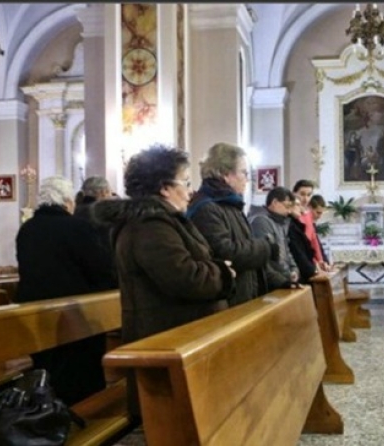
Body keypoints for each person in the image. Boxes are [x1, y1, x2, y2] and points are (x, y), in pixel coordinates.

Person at [93, 144, 236, 419]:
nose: (191, 190)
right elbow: (185, 278)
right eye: (185, 181)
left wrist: (213, 268)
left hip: (176, 334)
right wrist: (223, 273)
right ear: (165, 188)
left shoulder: (163, 220)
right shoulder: (150, 226)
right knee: (170, 419)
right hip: (163, 338)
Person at [15, 175, 115, 405]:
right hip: (74, 312)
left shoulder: (27, 229)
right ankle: (83, 411)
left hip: (36, 311)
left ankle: (44, 409)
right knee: (78, 372)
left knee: (47, 367)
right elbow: (99, 266)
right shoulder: (77, 227)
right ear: (67, 201)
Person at [187, 142, 293, 307]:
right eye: (244, 173)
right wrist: (265, 247)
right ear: (225, 174)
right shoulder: (206, 208)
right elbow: (226, 252)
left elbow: (253, 262)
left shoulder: (231, 206)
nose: (247, 179)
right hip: (228, 302)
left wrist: (282, 281)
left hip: (244, 297)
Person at [74, 176, 118, 288]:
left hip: (79, 274)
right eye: (110, 193)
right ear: (103, 193)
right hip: (103, 275)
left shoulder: (75, 212)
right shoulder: (102, 214)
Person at [249, 187, 299, 284]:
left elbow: (286, 250)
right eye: (287, 206)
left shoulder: (280, 222)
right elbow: (269, 257)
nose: (289, 212)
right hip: (271, 280)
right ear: (275, 202)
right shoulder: (260, 221)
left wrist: (294, 269)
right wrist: (287, 275)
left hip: (284, 277)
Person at [293, 179, 332, 271]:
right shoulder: (292, 216)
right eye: (302, 194)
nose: (305, 199)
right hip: (300, 264)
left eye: (309, 195)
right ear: (294, 194)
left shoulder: (308, 215)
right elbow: (299, 247)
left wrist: (322, 261)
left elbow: (314, 242)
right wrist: (314, 263)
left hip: (311, 262)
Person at [288, 200, 323, 284]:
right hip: (301, 271)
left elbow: (314, 244)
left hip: (305, 268)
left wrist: (320, 261)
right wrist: (313, 268)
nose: (300, 208)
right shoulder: (292, 224)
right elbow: (299, 251)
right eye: (297, 205)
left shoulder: (300, 223)